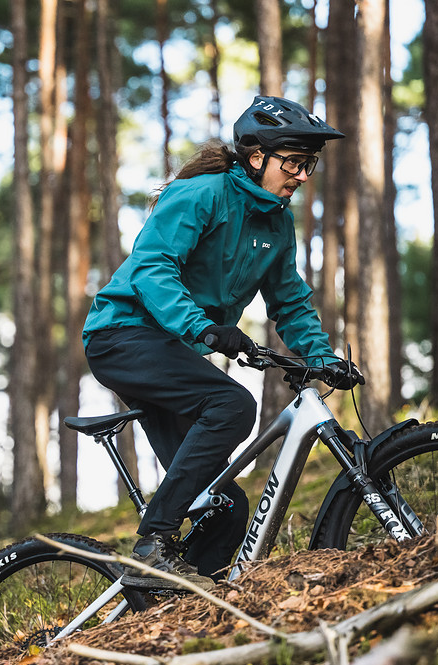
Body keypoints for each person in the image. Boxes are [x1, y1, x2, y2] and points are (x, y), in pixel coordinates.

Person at [82, 95, 363, 591]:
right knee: (233, 404)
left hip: (173, 350)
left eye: (309, 164)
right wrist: (203, 328)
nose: (301, 175)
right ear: (256, 157)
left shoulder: (277, 223)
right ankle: (152, 545)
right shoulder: (202, 195)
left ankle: (175, 607)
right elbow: (153, 267)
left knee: (226, 507)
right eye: (293, 162)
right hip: (122, 335)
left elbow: (290, 301)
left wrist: (322, 358)